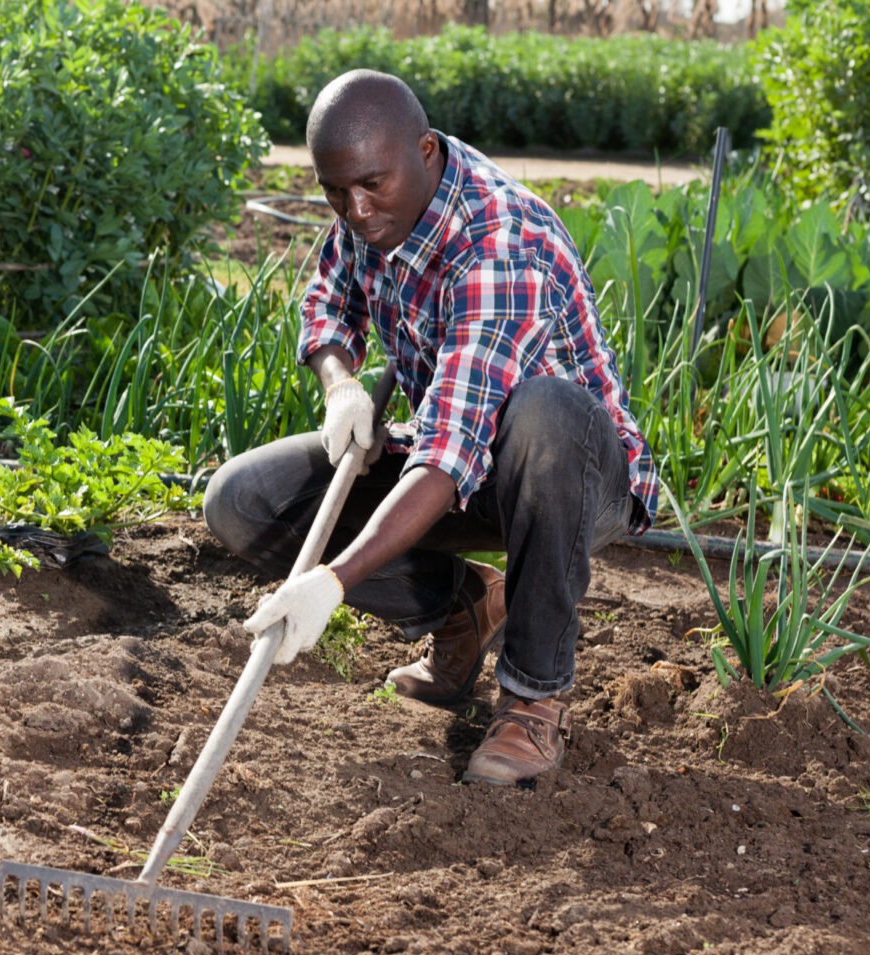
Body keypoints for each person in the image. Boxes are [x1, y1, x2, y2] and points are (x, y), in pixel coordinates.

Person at [206, 70, 657, 786]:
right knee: (242, 500)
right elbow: (328, 299)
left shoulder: (501, 242)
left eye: (370, 186)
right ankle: (467, 604)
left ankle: (534, 698)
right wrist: (341, 383)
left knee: (544, 412)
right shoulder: (371, 203)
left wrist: (333, 579)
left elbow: (448, 455)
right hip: (458, 460)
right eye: (335, 191)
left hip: (568, 476)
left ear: (424, 151)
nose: (353, 209)